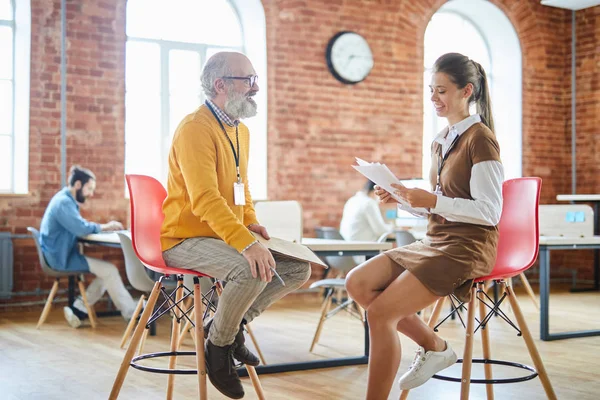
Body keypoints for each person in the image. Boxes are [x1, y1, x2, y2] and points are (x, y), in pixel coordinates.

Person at [345, 52, 504, 399]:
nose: (434, 98)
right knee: (357, 283)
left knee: (381, 315)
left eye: (442, 91)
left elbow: (489, 213)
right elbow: (438, 206)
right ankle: (435, 346)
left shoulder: (481, 139)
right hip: (435, 241)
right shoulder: (440, 142)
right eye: (431, 90)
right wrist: (403, 199)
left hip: (467, 247)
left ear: (467, 91)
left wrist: (431, 200)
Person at [161, 52, 311, 399]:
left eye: (255, 79)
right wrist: (245, 243)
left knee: (298, 268)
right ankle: (218, 350)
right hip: (185, 237)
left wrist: (252, 224)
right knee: (249, 269)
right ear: (220, 85)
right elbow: (205, 200)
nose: (256, 87)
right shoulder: (195, 129)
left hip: (220, 234)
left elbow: (240, 189)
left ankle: (229, 326)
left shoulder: (240, 130)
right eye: (249, 80)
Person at [40, 165, 138, 328]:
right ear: (78, 185)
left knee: (107, 272)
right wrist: (106, 226)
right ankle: (131, 314)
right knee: (110, 271)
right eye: (89, 189)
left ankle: (79, 309)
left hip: (59, 254)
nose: (91, 194)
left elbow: (76, 228)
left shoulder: (63, 199)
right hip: (60, 258)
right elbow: (80, 228)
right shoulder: (64, 202)